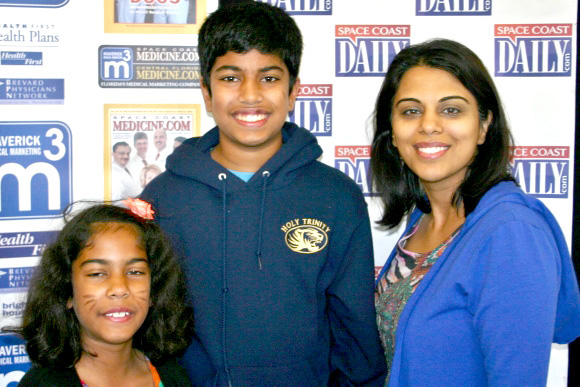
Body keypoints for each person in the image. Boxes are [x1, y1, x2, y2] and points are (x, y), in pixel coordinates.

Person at [140, 1, 387, 385]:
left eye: (269, 78)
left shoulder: (336, 197)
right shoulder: (164, 198)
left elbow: (353, 324)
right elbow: (148, 323)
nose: (251, 95)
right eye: (230, 78)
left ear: (293, 93)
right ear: (206, 92)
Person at [371, 38, 580, 386]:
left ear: (483, 126)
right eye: (410, 110)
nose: (429, 125)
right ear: (392, 132)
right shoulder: (421, 221)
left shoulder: (511, 233)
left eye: (451, 109)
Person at [4, 202, 194, 386]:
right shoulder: (45, 384)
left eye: (135, 272)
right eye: (97, 274)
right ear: (66, 291)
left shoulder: (172, 375)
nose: (119, 288)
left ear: (155, 288)